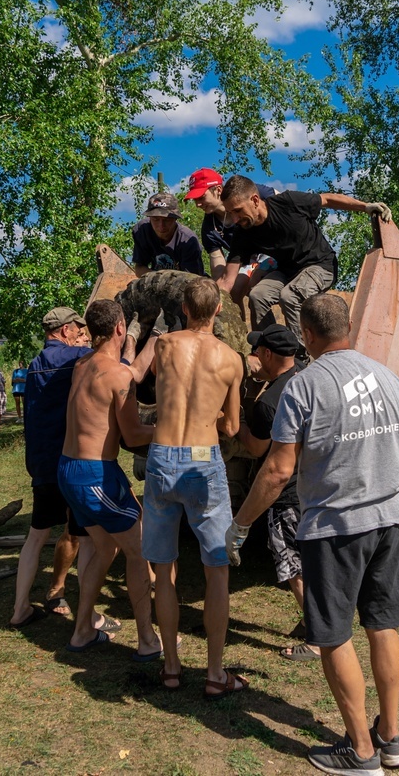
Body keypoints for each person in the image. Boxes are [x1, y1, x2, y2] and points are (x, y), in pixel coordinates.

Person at [227, 294, 399, 775]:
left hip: (336, 527)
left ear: (307, 336)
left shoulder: (305, 387)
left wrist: (241, 523)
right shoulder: (389, 376)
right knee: (383, 625)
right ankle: (390, 737)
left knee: (333, 635)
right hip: (390, 518)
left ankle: (360, 750)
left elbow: (277, 470)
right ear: (348, 327)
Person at [11, 306, 165, 628]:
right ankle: (140, 633)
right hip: (88, 468)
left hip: (51, 462)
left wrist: (131, 338)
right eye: (76, 329)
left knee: (67, 540)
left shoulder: (57, 363)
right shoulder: (86, 362)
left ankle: (52, 616)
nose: (80, 335)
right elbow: (128, 379)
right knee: (117, 544)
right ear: (66, 331)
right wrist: (147, 338)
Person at [142, 277, 245, 697]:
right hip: (203, 459)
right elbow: (233, 427)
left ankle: (170, 665)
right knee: (216, 570)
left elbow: (152, 380)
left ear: (184, 308)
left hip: (163, 455)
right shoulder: (232, 359)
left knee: (163, 570)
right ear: (218, 310)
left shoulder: (165, 346)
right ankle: (216, 673)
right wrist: (215, 418)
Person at [58, 300, 163, 660]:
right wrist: (167, 428)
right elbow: (133, 436)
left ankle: (82, 630)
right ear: (120, 327)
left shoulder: (81, 364)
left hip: (69, 468)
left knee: (105, 548)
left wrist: (152, 339)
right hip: (95, 475)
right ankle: (148, 639)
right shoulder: (117, 376)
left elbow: (125, 374)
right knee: (139, 550)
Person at [218, 175, 391, 338]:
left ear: (255, 200)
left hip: (321, 265)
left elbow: (327, 199)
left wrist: (365, 207)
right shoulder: (243, 233)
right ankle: (268, 349)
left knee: (289, 296)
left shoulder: (288, 202)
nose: (234, 219)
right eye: (230, 213)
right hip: (288, 271)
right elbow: (228, 279)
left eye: (238, 211)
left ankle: (299, 357)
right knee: (258, 296)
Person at [235, 323, 317, 662]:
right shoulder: (307, 377)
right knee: (312, 559)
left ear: (268, 354)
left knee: (291, 563)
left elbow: (257, 449)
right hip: (313, 486)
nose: (254, 356)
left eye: (257, 351)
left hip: (285, 494)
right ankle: (318, 619)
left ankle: (315, 637)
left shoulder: (269, 402)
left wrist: (236, 420)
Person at [184, 168, 276, 285]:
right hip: (247, 263)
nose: (198, 204)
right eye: (195, 200)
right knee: (237, 286)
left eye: (201, 197)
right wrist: (220, 291)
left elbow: (283, 203)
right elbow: (218, 265)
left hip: (275, 251)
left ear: (218, 190)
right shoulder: (209, 228)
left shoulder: (247, 193)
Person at [131, 192, 205, 276]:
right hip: (155, 281)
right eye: (155, 219)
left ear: (175, 219)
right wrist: (158, 279)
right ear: (149, 218)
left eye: (167, 220)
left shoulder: (188, 240)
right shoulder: (141, 231)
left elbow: (193, 281)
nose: (161, 226)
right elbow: (139, 268)